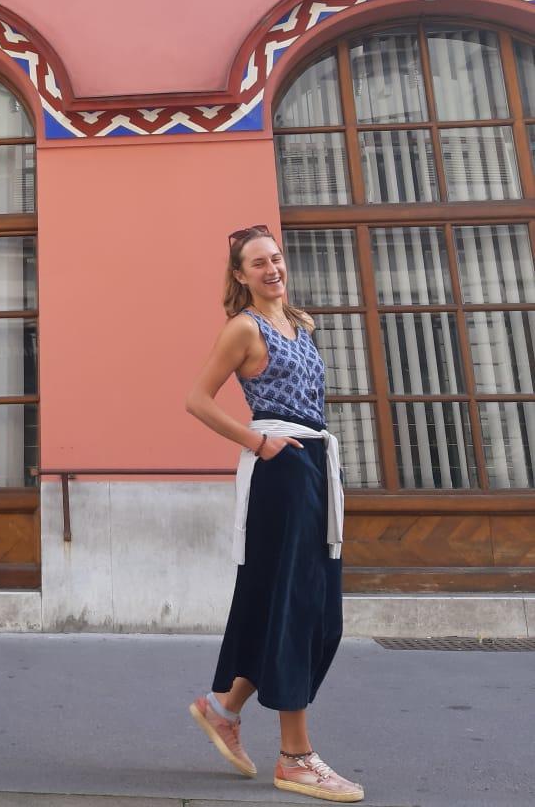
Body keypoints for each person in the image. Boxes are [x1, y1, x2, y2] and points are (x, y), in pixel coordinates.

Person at [184, 224, 363, 803]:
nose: (272, 269)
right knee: (298, 608)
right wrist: (257, 443)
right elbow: (197, 400)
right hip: (280, 468)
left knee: (297, 605)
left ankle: (223, 707)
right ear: (240, 275)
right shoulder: (244, 327)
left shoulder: (301, 324)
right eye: (257, 263)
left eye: (276, 258)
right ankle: (295, 756)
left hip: (312, 466)